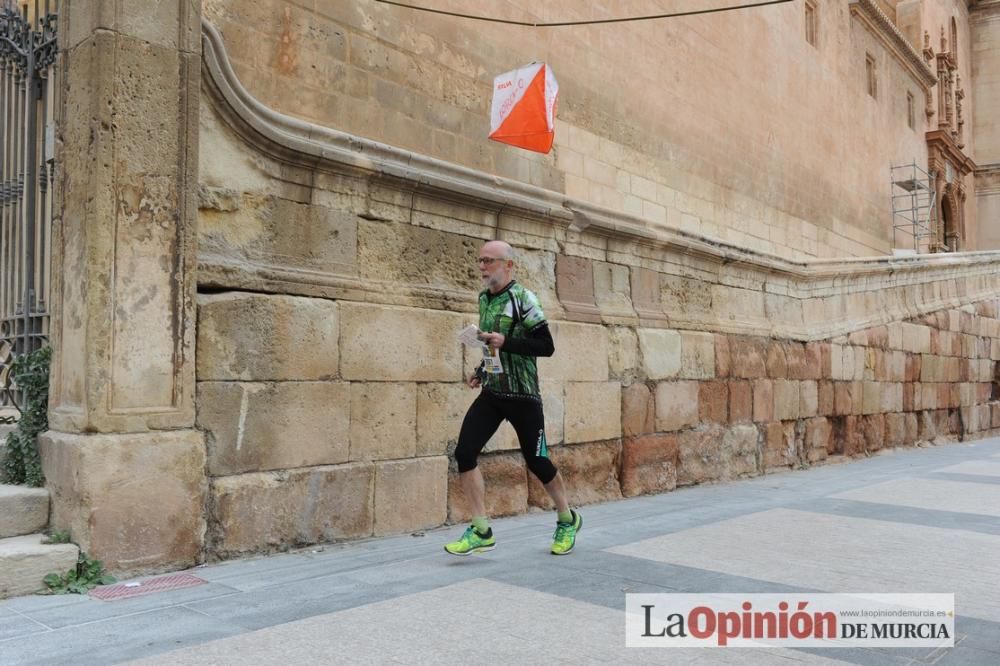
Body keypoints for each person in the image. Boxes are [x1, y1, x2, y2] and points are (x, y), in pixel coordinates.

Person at [444, 240, 582, 556]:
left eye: (488, 261)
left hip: (523, 395)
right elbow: (491, 343)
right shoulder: (484, 299)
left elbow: (545, 346)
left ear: (508, 265)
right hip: (494, 392)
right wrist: (482, 368)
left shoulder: (524, 299)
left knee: (537, 460)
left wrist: (506, 341)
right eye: (480, 261)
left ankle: (567, 518)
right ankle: (481, 530)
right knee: (465, 453)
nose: (482, 267)